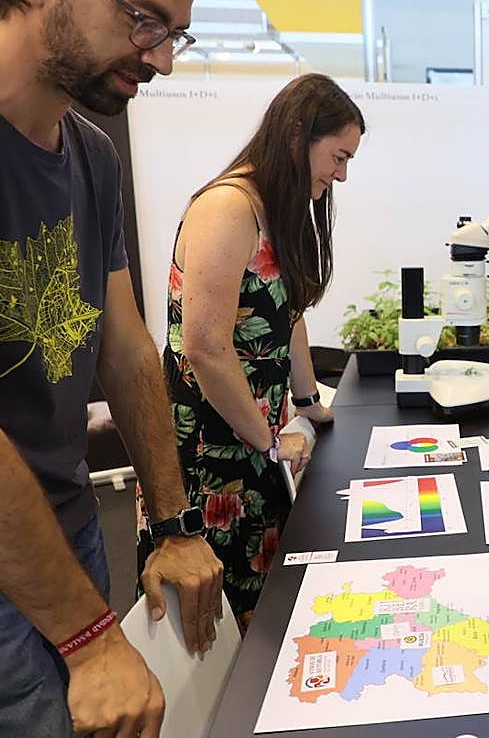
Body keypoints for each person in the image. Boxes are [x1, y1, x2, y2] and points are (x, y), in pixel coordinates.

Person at [0, 0, 224, 735]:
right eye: (144, 22)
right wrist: (91, 642)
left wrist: (170, 523)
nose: (162, 59)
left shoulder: (89, 152)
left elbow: (127, 351)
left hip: (65, 540)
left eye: (176, 34)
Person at [137, 73, 363, 630]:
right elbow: (206, 348)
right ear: (296, 136)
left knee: (264, 614)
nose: (341, 174)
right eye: (337, 156)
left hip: (253, 443)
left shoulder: (273, 207)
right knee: (215, 630)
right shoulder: (228, 208)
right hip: (209, 451)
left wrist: (307, 402)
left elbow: (290, 317)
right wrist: (268, 441)